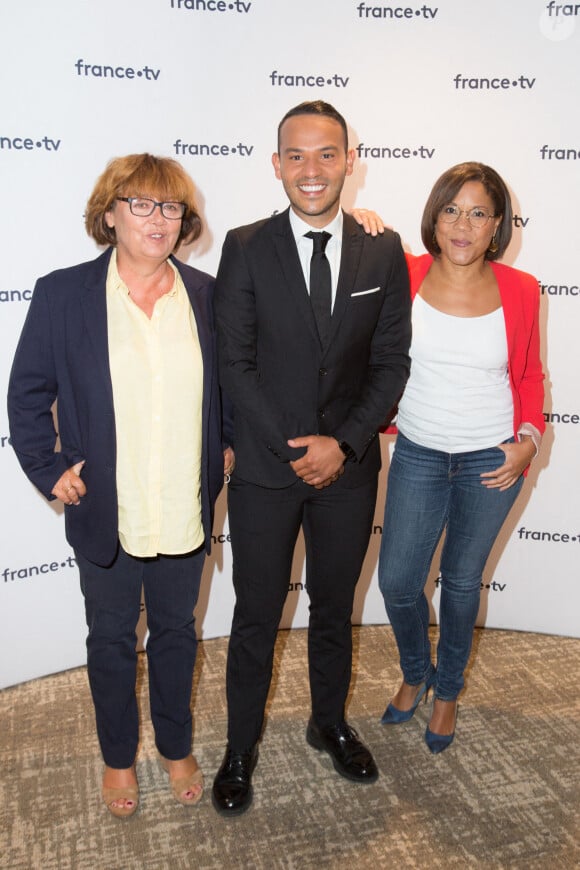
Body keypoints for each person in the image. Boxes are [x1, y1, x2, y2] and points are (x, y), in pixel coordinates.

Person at [7, 154, 233, 817]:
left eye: (171, 208)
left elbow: (230, 391)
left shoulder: (207, 296)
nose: (158, 220)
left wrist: (225, 446)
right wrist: (49, 470)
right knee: (110, 640)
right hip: (108, 507)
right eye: (141, 204)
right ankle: (116, 757)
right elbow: (26, 397)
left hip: (181, 506)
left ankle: (175, 743)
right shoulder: (62, 294)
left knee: (176, 634)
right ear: (109, 213)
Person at [212, 100, 412, 816]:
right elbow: (235, 363)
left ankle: (327, 723)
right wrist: (297, 449)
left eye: (327, 153)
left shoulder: (380, 250)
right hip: (268, 473)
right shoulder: (244, 245)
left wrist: (347, 443)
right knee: (256, 616)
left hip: (349, 473)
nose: (312, 169)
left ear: (349, 160)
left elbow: (391, 363)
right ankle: (240, 748)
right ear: (276, 165)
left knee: (334, 608)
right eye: (296, 155)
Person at [378, 162, 545, 753]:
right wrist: (367, 226)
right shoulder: (406, 272)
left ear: (496, 225)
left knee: (462, 582)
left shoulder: (521, 289)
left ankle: (445, 689)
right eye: (452, 209)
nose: (463, 225)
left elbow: (527, 374)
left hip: (491, 461)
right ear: (435, 215)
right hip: (419, 450)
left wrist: (529, 439)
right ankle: (415, 669)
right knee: (397, 581)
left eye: (478, 213)